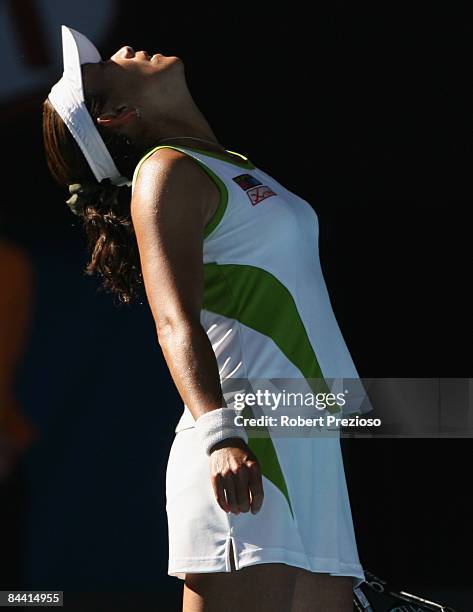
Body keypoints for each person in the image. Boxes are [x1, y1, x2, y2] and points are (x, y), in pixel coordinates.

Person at [42, 25, 368, 611]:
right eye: (104, 67)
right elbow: (174, 320)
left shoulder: (227, 166)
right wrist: (220, 436)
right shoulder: (165, 171)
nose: (121, 51)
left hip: (304, 444)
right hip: (245, 444)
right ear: (116, 113)